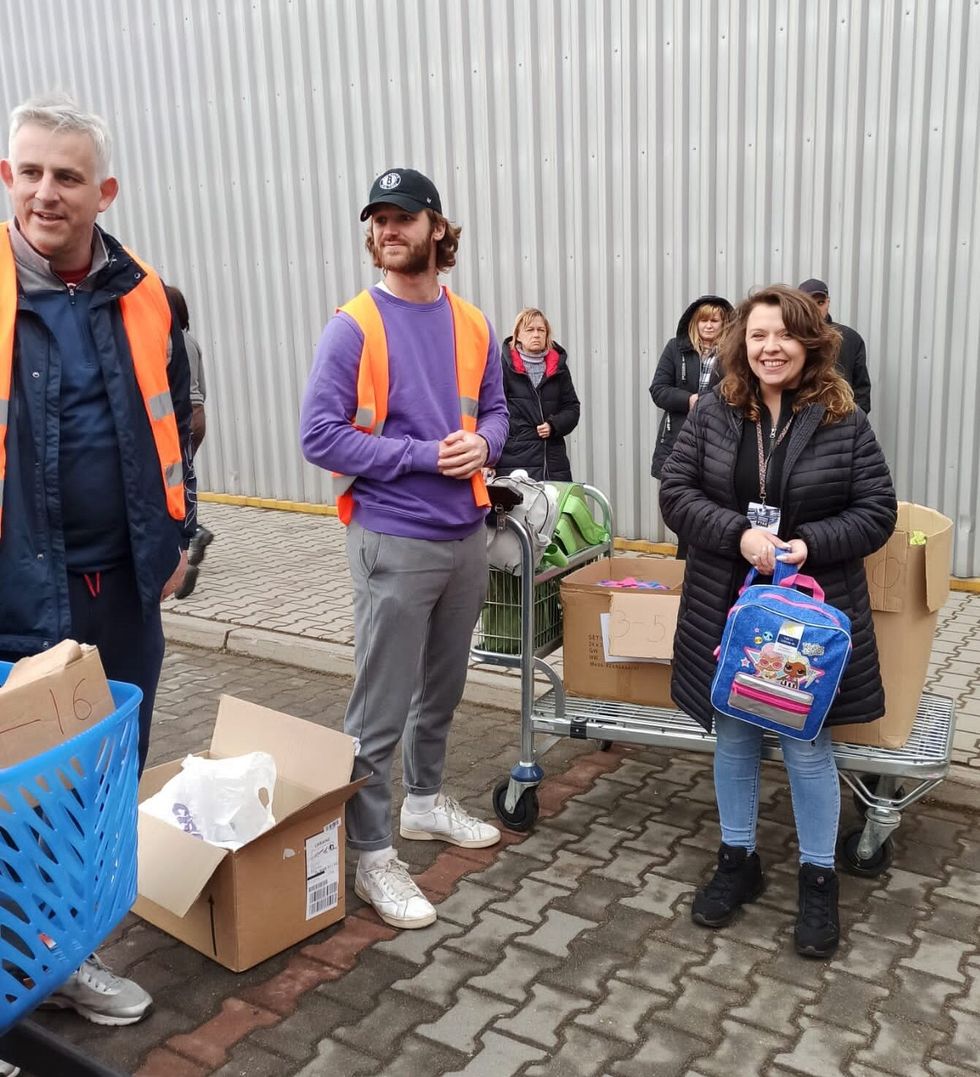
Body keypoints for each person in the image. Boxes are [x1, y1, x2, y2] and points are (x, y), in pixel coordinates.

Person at [0, 95, 196, 1026]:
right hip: (12, 594)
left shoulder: (145, 294)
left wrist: (177, 535)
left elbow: (175, 425)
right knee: (13, 798)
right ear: (8, 177)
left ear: (103, 191)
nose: (46, 191)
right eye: (30, 170)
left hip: (120, 593)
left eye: (68, 175)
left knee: (100, 780)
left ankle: (64, 959)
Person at [300, 167, 509, 930]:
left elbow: (496, 412)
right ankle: (372, 854)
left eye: (404, 218)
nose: (390, 231)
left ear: (437, 229)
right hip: (391, 536)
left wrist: (484, 443)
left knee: (443, 690)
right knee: (378, 709)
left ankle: (423, 804)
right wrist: (425, 456)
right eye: (379, 220)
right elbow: (319, 436)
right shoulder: (353, 324)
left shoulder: (476, 322)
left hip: (464, 534)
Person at [660, 284, 896, 958]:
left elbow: (877, 510)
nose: (771, 347)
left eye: (785, 335)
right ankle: (739, 859)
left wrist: (808, 544)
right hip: (728, 604)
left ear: (810, 342)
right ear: (741, 342)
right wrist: (736, 533)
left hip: (810, 612)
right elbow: (676, 493)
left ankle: (818, 875)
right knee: (733, 731)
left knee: (806, 741)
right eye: (759, 334)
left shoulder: (843, 418)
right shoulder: (713, 413)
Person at [649, 294, 733, 558]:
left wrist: (713, 404)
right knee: (681, 508)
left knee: (708, 509)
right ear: (694, 323)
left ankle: (698, 564)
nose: (709, 326)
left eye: (715, 321)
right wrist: (689, 400)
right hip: (677, 442)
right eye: (703, 320)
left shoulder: (733, 353)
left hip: (717, 443)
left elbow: (737, 391)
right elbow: (658, 390)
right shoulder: (676, 348)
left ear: (725, 323)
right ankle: (683, 566)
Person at [164, 285, 213, 600]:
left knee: (172, 485)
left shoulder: (166, 342)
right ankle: (195, 529)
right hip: (198, 417)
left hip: (178, 420)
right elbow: (202, 387)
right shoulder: (191, 341)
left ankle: (189, 537)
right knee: (186, 478)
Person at [496, 307, 580, 480]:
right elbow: (493, 412)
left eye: (541, 330)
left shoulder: (558, 368)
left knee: (557, 506)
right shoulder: (502, 368)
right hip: (514, 461)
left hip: (553, 463)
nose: (536, 335)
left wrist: (553, 425)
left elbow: (572, 408)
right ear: (517, 335)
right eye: (530, 330)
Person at [797, 278, 872, 413]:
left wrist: (853, 422)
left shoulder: (849, 338)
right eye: (808, 303)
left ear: (828, 302)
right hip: (798, 421)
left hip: (839, 421)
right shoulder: (790, 338)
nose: (815, 309)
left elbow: (862, 390)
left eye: (820, 302)